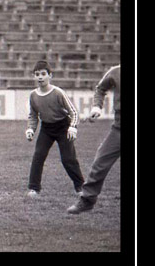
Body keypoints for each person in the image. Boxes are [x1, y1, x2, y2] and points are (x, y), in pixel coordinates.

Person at [24, 60, 84, 197]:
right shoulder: (33, 95)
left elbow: (73, 112)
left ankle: (80, 187)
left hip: (63, 127)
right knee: (38, 156)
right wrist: (30, 129)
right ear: (34, 76)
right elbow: (33, 115)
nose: (40, 77)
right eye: (37, 74)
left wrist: (72, 127)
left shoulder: (58, 93)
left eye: (43, 74)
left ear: (50, 76)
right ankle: (34, 188)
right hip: (46, 129)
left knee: (68, 159)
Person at [68, 64, 121, 214]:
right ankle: (87, 200)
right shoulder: (116, 71)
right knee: (100, 162)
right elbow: (100, 89)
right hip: (119, 127)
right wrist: (96, 107)